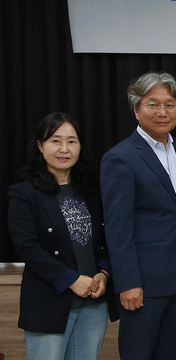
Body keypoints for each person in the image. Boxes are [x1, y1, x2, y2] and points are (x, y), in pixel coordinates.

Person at [101, 72, 176, 359]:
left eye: (170, 105)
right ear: (136, 109)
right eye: (153, 104)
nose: (162, 112)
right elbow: (118, 229)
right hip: (143, 285)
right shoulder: (121, 158)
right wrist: (127, 282)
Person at [8, 113, 117, 359]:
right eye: (55, 141)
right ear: (40, 146)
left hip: (93, 303)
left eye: (72, 141)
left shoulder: (92, 191)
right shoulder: (24, 193)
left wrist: (104, 273)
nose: (64, 149)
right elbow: (27, 247)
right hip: (49, 303)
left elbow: (106, 241)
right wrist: (71, 279)